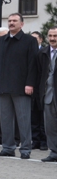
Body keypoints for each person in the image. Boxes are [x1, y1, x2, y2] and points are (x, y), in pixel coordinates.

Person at [0, 13, 38, 159]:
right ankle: (8, 147)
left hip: (21, 87)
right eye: (9, 21)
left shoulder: (29, 41)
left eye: (15, 21)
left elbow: (33, 64)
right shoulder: (0, 41)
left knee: (23, 120)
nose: (11, 23)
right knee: (5, 120)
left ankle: (25, 149)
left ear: (22, 24)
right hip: (3, 86)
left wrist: (30, 83)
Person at [36, 27, 57, 162]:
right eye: (50, 36)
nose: (53, 38)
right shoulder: (42, 53)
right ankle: (54, 151)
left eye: (55, 35)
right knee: (50, 126)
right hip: (48, 95)